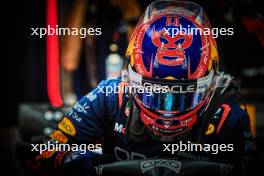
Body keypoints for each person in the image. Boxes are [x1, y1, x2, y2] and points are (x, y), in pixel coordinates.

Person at [22, 0, 260, 175]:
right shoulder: (108, 97)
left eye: (181, 97)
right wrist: (85, 163)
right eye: (153, 94)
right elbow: (42, 156)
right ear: (130, 79)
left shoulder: (226, 114)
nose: (167, 114)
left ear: (211, 85)